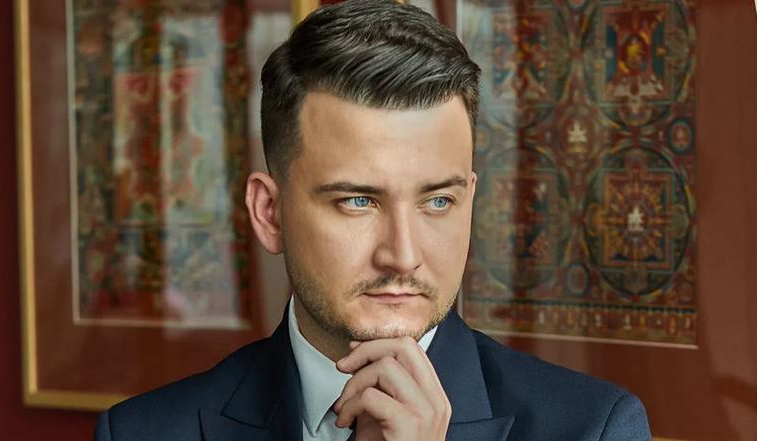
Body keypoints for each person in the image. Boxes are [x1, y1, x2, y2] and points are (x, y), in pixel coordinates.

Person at [93, 1, 652, 440]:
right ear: (269, 213)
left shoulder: (594, 429)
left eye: (438, 201)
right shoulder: (141, 432)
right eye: (358, 201)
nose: (402, 254)